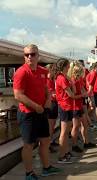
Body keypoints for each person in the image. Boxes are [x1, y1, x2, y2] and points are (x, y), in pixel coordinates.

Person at [13, 44, 61, 179]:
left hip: (41, 112)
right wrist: (36, 106)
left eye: (33, 54)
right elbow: (18, 95)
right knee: (28, 145)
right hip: (27, 113)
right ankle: (29, 173)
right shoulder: (21, 72)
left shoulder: (42, 71)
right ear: (24, 57)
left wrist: (48, 99)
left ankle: (46, 167)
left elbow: (47, 88)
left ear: (38, 56)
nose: (29, 57)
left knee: (45, 140)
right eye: (26, 55)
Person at [55, 59, 84, 163]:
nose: (69, 68)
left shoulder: (64, 77)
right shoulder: (61, 78)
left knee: (66, 131)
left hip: (68, 106)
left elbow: (74, 91)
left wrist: (71, 83)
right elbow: (72, 94)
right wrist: (82, 95)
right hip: (64, 106)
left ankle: (66, 152)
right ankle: (61, 156)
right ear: (65, 66)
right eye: (68, 66)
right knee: (63, 132)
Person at [45, 63, 59, 153]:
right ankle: (47, 145)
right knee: (50, 126)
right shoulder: (47, 80)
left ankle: (50, 141)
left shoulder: (52, 80)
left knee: (52, 125)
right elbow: (50, 94)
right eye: (53, 70)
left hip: (54, 103)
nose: (55, 71)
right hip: (51, 104)